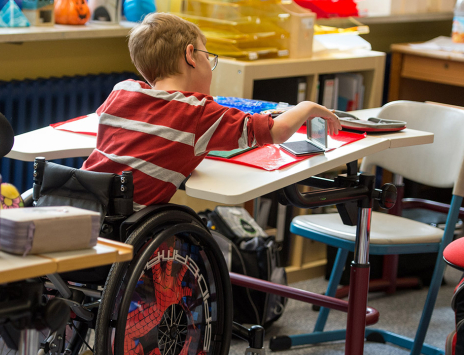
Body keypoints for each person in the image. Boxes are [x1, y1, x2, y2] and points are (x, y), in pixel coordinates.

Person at [82, 12, 342, 210]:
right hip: (125, 224)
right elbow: (277, 131)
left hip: (81, 204)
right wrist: (307, 107)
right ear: (191, 55)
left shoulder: (123, 90)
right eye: (208, 56)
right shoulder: (199, 113)